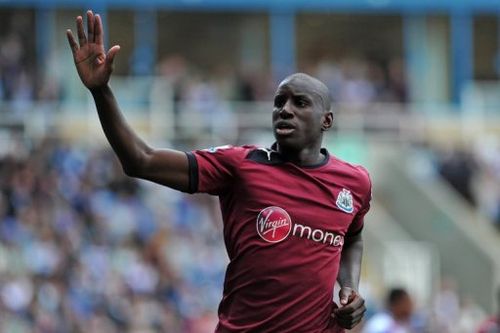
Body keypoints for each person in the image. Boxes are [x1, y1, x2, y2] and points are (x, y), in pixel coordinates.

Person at [66, 10, 371, 332]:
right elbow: (140, 160)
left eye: (300, 103)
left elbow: (352, 235)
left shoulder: (354, 182)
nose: (285, 109)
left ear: (327, 120)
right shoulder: (242, 165)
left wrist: (349, 287)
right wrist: (101, 92)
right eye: (279, 101)